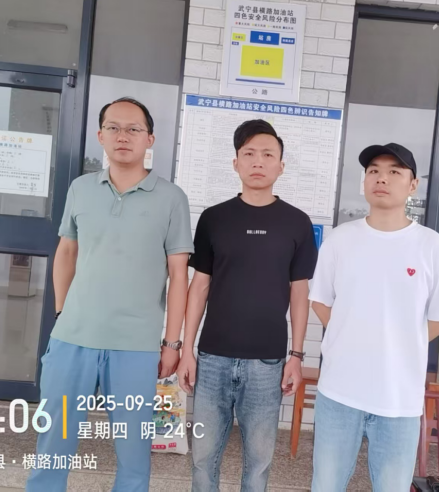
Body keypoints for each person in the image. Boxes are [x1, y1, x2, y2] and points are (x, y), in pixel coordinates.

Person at [26, 98, 194, 492]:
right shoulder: (81, 188)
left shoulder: (172, 198)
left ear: (150, 138)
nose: (123, 136)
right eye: (114, 127)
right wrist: (62, 313)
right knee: (54, 440)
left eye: (134, 129)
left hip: (135, 346)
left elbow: (178, 274)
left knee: (134, 450)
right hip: (72, 339)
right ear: (100, 136)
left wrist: (172, 343)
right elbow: (67, 252)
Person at [309, 143, 439, 492]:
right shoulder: (340, 239)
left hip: (399, 397)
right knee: (325, 484)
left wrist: (398, 342)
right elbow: (320, 300)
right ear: (365, 181)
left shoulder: (431, 246)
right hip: (339, 391)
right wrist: (353, 335)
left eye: (394, 171)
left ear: (413, 185)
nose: (382, 178)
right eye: (374, 171)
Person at [177, 119, 318, 491]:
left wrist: (296, 356)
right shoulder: (214, 218)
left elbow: (300, 292)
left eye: (268, 154)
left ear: (281, 166)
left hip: (267, 363)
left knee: (258, 464)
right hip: (213, 358)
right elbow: (199, 286)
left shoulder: (297, 223)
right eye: (249, 153)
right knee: (203, 460)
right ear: (235, 162)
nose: (258, 161)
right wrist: (187, 350)